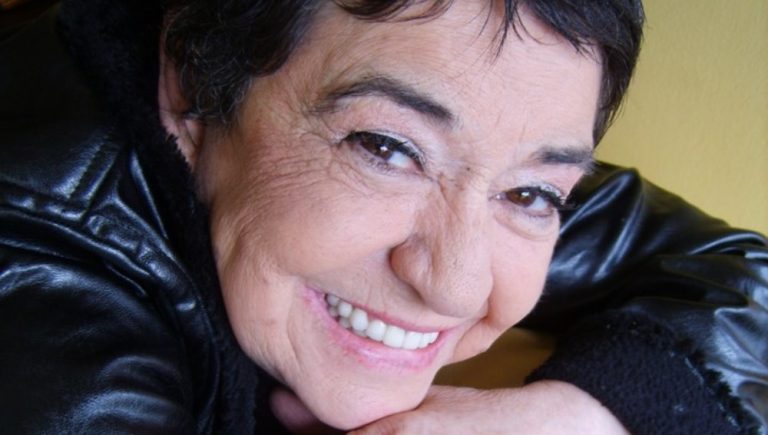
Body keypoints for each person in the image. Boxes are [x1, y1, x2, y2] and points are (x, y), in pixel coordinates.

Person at [0, 0, 766, 433]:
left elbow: (745, 279)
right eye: (386, 148)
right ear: (197, 84)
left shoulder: (485, 170)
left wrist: (587, 414)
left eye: (535, 193)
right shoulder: (39, 265)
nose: (456, 284)